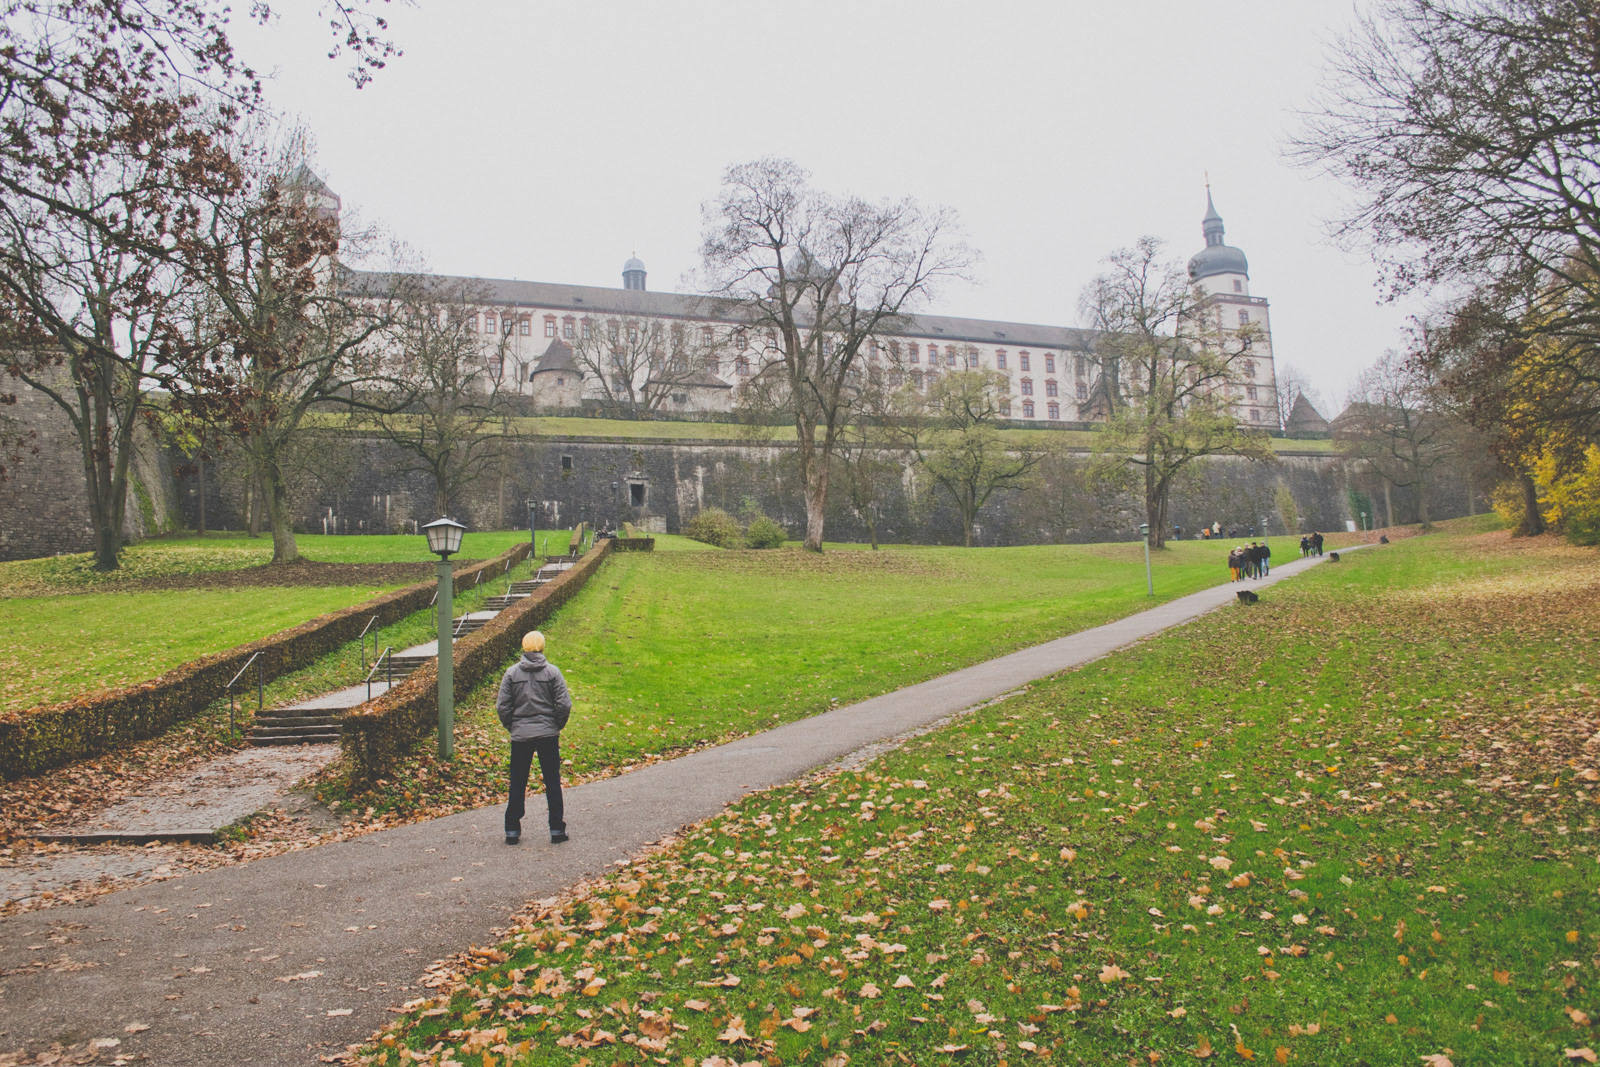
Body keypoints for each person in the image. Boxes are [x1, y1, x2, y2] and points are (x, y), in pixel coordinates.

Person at [497, 630, 572, 845]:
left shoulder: (511, 674)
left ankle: (512, 830)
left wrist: (513, 727)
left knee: (518, 782)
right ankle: (556, 829)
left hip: (521, 735)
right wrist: (556, 725)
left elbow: (502, 706)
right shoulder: (552, 673)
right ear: (542, 646)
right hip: (547, 733)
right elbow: (564, 704)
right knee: (552, 781)